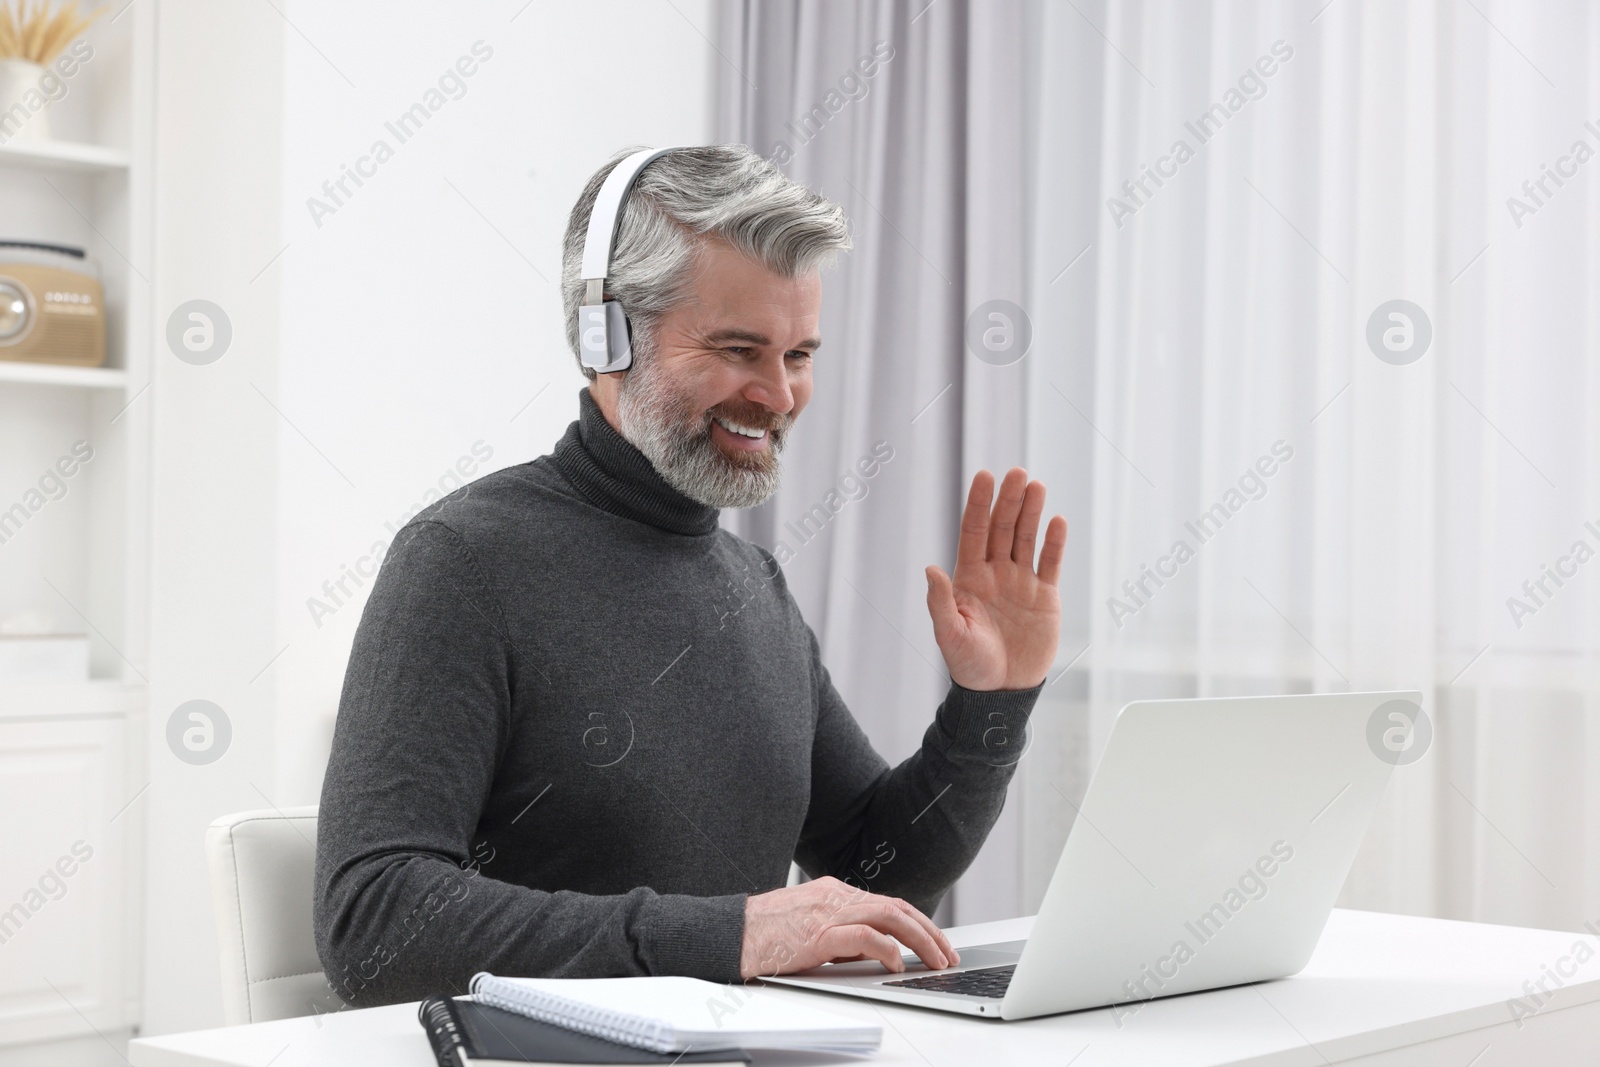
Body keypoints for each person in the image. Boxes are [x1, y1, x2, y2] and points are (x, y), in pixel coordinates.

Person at [313, 144, 1068, 1006]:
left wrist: (991, 704)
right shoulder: (463, 563)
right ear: (607, 336)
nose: (780, 395)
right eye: (741, 349)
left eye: (801, 355)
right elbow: (372, 923)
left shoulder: (754, 588)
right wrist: (728, 934)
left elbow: (873, 871)